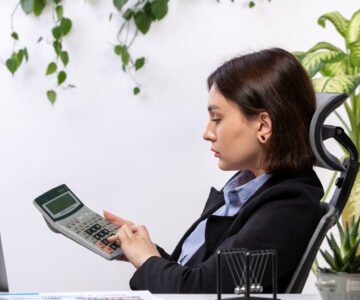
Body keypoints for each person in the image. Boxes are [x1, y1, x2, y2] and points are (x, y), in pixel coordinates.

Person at [104, 48, 324, 293]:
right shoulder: (246, 190)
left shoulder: (288, 208)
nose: (207, 133)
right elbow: (203, 275)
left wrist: (146, 260)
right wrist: (141, 249)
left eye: (217, 119)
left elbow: (201, 294)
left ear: (263, 125)